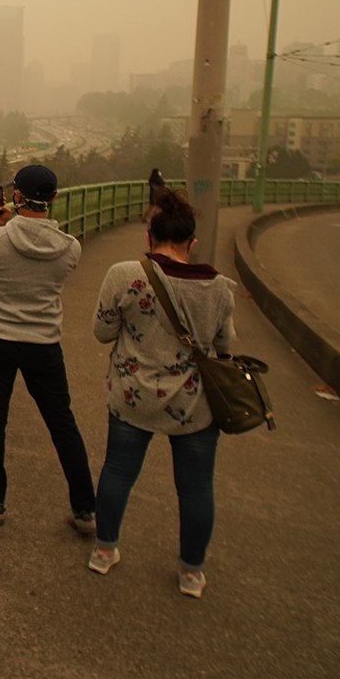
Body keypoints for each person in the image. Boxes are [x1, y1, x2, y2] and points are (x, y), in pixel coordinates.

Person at [87, 187, 234, 598]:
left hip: (133, 396)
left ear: (149, 239)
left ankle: (104, 550)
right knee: (196, 486)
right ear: (192, 242)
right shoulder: (220, 287)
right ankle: (191, 574)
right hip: (194, 402)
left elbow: (102, 332)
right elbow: (225, 347)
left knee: (118, 472)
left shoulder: (124, 274)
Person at [0, 164, 96, 534]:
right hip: (43, 345)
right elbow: (32, 250)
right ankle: (85, 508)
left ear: (15, 196)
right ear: (53, 198)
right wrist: (13, 227)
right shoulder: (71, 249)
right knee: (62, 422)